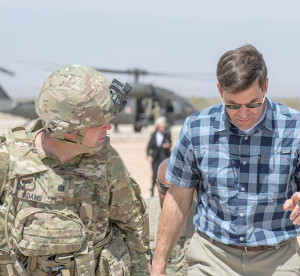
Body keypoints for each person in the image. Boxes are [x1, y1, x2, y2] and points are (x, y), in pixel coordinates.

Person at [151, 44, 300, 276]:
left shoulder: (295, 128)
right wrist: (158, 266)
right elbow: (178, 197)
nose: (243, 114)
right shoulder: (196, 128)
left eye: (253, 103)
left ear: (266, 87)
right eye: (232, 105)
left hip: (278, 258)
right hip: (212, 256)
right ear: (220, 91)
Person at [0, 65, 150, 276]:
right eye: (98, 123)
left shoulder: (108, 161)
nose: (108, 128)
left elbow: (133, 228)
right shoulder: (9, 158)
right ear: (66, 128)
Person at [145, 158, 196, 275]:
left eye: (176, 190)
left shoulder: (200, 216)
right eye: (164, 189)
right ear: (157, 185)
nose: (170, 197)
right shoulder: (144, 212)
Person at [146, 117, 171, 196]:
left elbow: (170, 143)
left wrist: (167, 145)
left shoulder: (167, 133)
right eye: (161, 126)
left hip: (164, 157)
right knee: (154, 176)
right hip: (155, 158)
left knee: (165, 176)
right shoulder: (153, 134)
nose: (163, 128)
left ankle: (165, 193)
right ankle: (152, 192)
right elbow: (149, 146)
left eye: (164, 126)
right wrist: (149, 155)